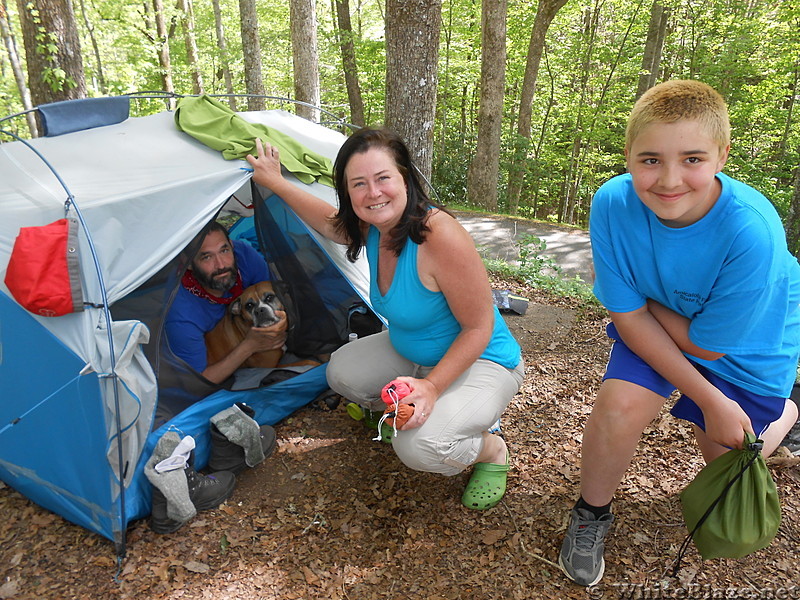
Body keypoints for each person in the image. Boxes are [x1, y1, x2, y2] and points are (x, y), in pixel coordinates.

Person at [558, 80, 800, 587]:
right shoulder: (611, 203)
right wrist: (705, 395)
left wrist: (636, 305)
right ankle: (591, 513)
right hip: (659, 324)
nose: (669, 180)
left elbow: (706, 346)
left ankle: (786, 413)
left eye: (692, 158)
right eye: (650, 160)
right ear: (627, 156)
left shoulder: (750, 229)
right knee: (617, 406)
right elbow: (629, 321)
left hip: (749, 341)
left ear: (722, 156)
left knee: (732, 460)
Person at [246, 128, 524, 510]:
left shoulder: (439, 236)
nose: (373, 193)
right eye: (358, 184)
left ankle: (491, 447)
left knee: (422, 447)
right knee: (341, 372)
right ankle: (420, 404)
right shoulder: (375, 226)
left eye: (383, 178)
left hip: (481, 359)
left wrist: (431, 388)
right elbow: (331, 224)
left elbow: (480, 328)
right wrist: (275, 182)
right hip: (413, 351)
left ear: (405, 178)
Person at [164, 221, 287, 384]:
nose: (221, 265)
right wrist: (249, 346)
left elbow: (275, 296)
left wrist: (285, 320)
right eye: (206, 256)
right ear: (188, 263)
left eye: (224, 250)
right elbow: (198, 383)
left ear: (231, 245)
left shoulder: (244, 255)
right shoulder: (181, 314)